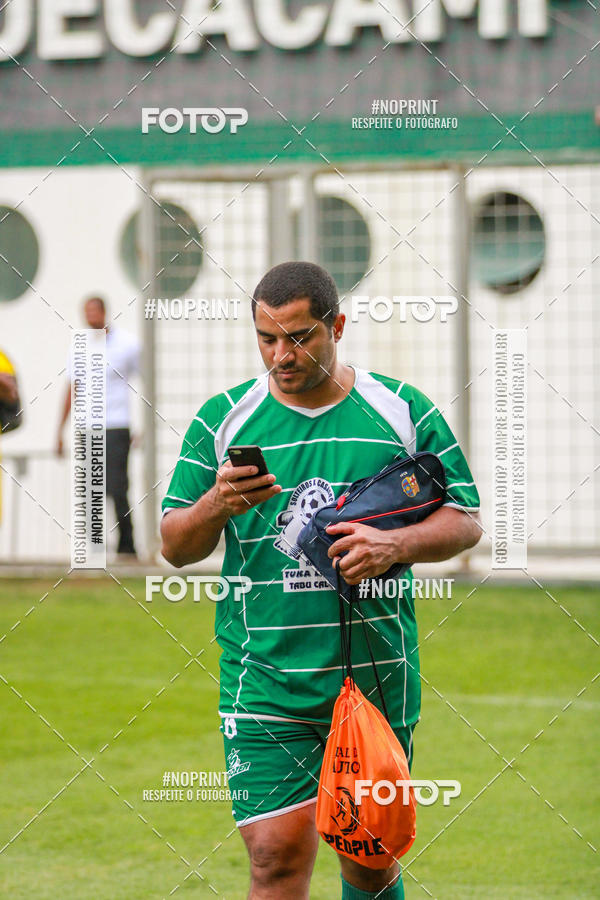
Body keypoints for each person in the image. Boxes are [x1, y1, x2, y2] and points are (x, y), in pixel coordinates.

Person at [160, 262, 482, 900]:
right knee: (275, 861)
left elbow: (465, 519)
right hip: (266, 682)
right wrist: (217, 504)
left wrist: (397, 542)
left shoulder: (402, 410)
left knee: (368, 860)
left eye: (300, 337)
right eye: (267, 338)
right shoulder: (223, 420)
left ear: (337, 325)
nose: (282, 354)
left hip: (375, 681)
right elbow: (174, 546)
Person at [56, 296, 140, 557]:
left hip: (117, 425)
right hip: (88, 426)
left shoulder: (128, 344)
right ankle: (94, 547)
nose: (90, 316)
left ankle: (127, 545)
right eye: (86, 311)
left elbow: (144, 382)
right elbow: (72, 389)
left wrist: (143, 426)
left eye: (94, 310)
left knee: (117, 487)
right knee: (92, 488)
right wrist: (59, 430)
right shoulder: (78, 348)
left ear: (104, 312)